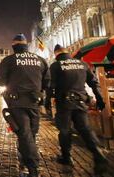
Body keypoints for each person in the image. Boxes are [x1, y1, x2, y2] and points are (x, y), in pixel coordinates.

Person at [45, 44, 108, 174]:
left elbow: (50, 87)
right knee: (85, 129)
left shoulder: (56, 65)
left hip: (65, 103)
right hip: (81, 102)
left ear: (57, 54)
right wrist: (100, 99)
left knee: (64, 130)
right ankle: (98, 153)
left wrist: (46, 103)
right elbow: (94, 83)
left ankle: (66, 157)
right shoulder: (82, 64)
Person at [0, 33, 50, 177]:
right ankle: (24, 162)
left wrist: (11, 80)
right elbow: (47, 81)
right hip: (34, 103)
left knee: (25, 134)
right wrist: (39, 90)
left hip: (17, 102)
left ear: (13, 46)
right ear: (26, 45)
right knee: (30, 134)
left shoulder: (9, 60)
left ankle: (33, 168)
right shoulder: (40, 60)